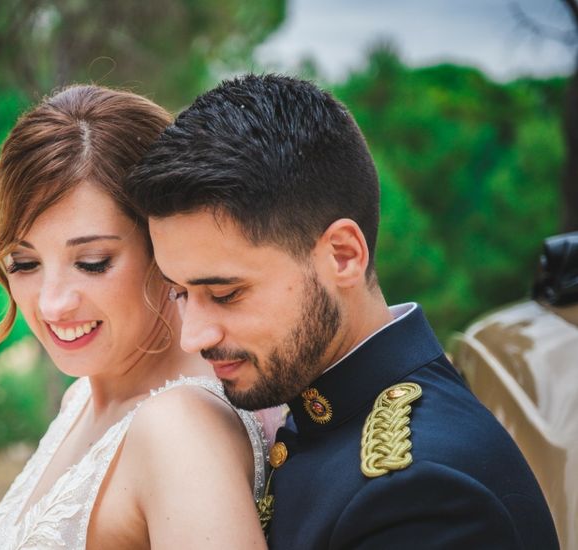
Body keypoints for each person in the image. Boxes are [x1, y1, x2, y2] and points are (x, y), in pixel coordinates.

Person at [125, 74, 559, 549]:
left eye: (226, 293)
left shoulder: (422, 493)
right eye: (180, 293)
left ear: (343, 256)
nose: (194, 336)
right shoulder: (313, 415)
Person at [0, 84, 273, 549]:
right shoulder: (81, 398)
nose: (53, 304)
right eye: (24, 263)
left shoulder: (181, 429)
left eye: (92, 262)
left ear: (163, 251)